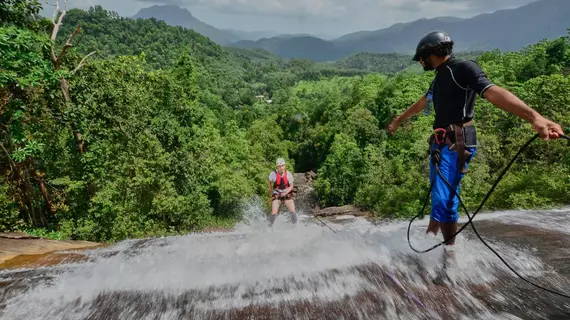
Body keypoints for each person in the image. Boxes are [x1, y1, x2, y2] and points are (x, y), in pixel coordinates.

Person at [387, 31, 564, 275]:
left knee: (444, 198)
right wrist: (399, 119)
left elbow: (492, 91)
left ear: (431, 53)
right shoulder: (440, 76)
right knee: (441, 194)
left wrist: (535, 118)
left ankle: (446, 253)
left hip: (456, 142)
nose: (420, 63)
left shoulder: (463, 69)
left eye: (421, 57)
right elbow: (423, 103)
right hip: (441, 143)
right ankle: (434, 241)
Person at [267, 158, 297, 226]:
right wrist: (271, 192)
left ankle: (295, 227)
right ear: (276, 167)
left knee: (292, 211)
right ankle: (269, 227)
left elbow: (291, 186)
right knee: (274, 212)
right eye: (279, 166)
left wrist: (285, 193)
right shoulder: (273, 174)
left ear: (285, 166)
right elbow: (269, 183)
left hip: (287, 193)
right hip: (277, 194)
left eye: (283, 166)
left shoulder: (288, 174)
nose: (281, 168)